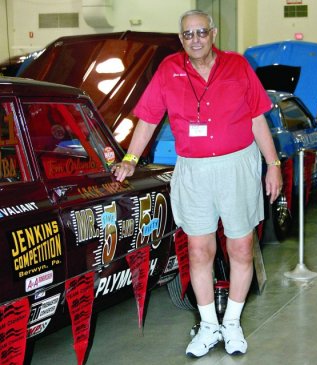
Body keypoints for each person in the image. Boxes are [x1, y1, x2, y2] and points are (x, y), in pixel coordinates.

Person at [113, 9, 282, 358]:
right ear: (181, 39)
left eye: (201, 32)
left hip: (237, 166)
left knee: (240, 248)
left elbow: (256, 118)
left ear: (213, 33)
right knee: (199, 249)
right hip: (193, 170)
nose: (195, 39)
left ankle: (232, 323)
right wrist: (130, 159)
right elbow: (147, 119)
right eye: (188, 35)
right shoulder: (168, 70)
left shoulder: (237, 66)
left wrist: (273, 164)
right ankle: (208, 325)